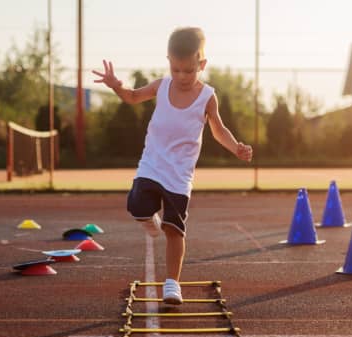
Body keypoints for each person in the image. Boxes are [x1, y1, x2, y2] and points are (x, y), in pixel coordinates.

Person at [93, 27, 252, 305]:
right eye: (176, 69)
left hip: (179, 175)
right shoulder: (161, 86)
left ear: (201, 64)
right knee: (136, 206)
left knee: (174, 230)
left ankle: (172, 284)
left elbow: (218, 130)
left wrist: (236, 147)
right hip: (152, 164)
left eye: (189, 70)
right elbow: (132, 97)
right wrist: (116, 85)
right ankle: (149, 220)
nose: (182, 76)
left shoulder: (207, 96)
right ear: (168, 61)